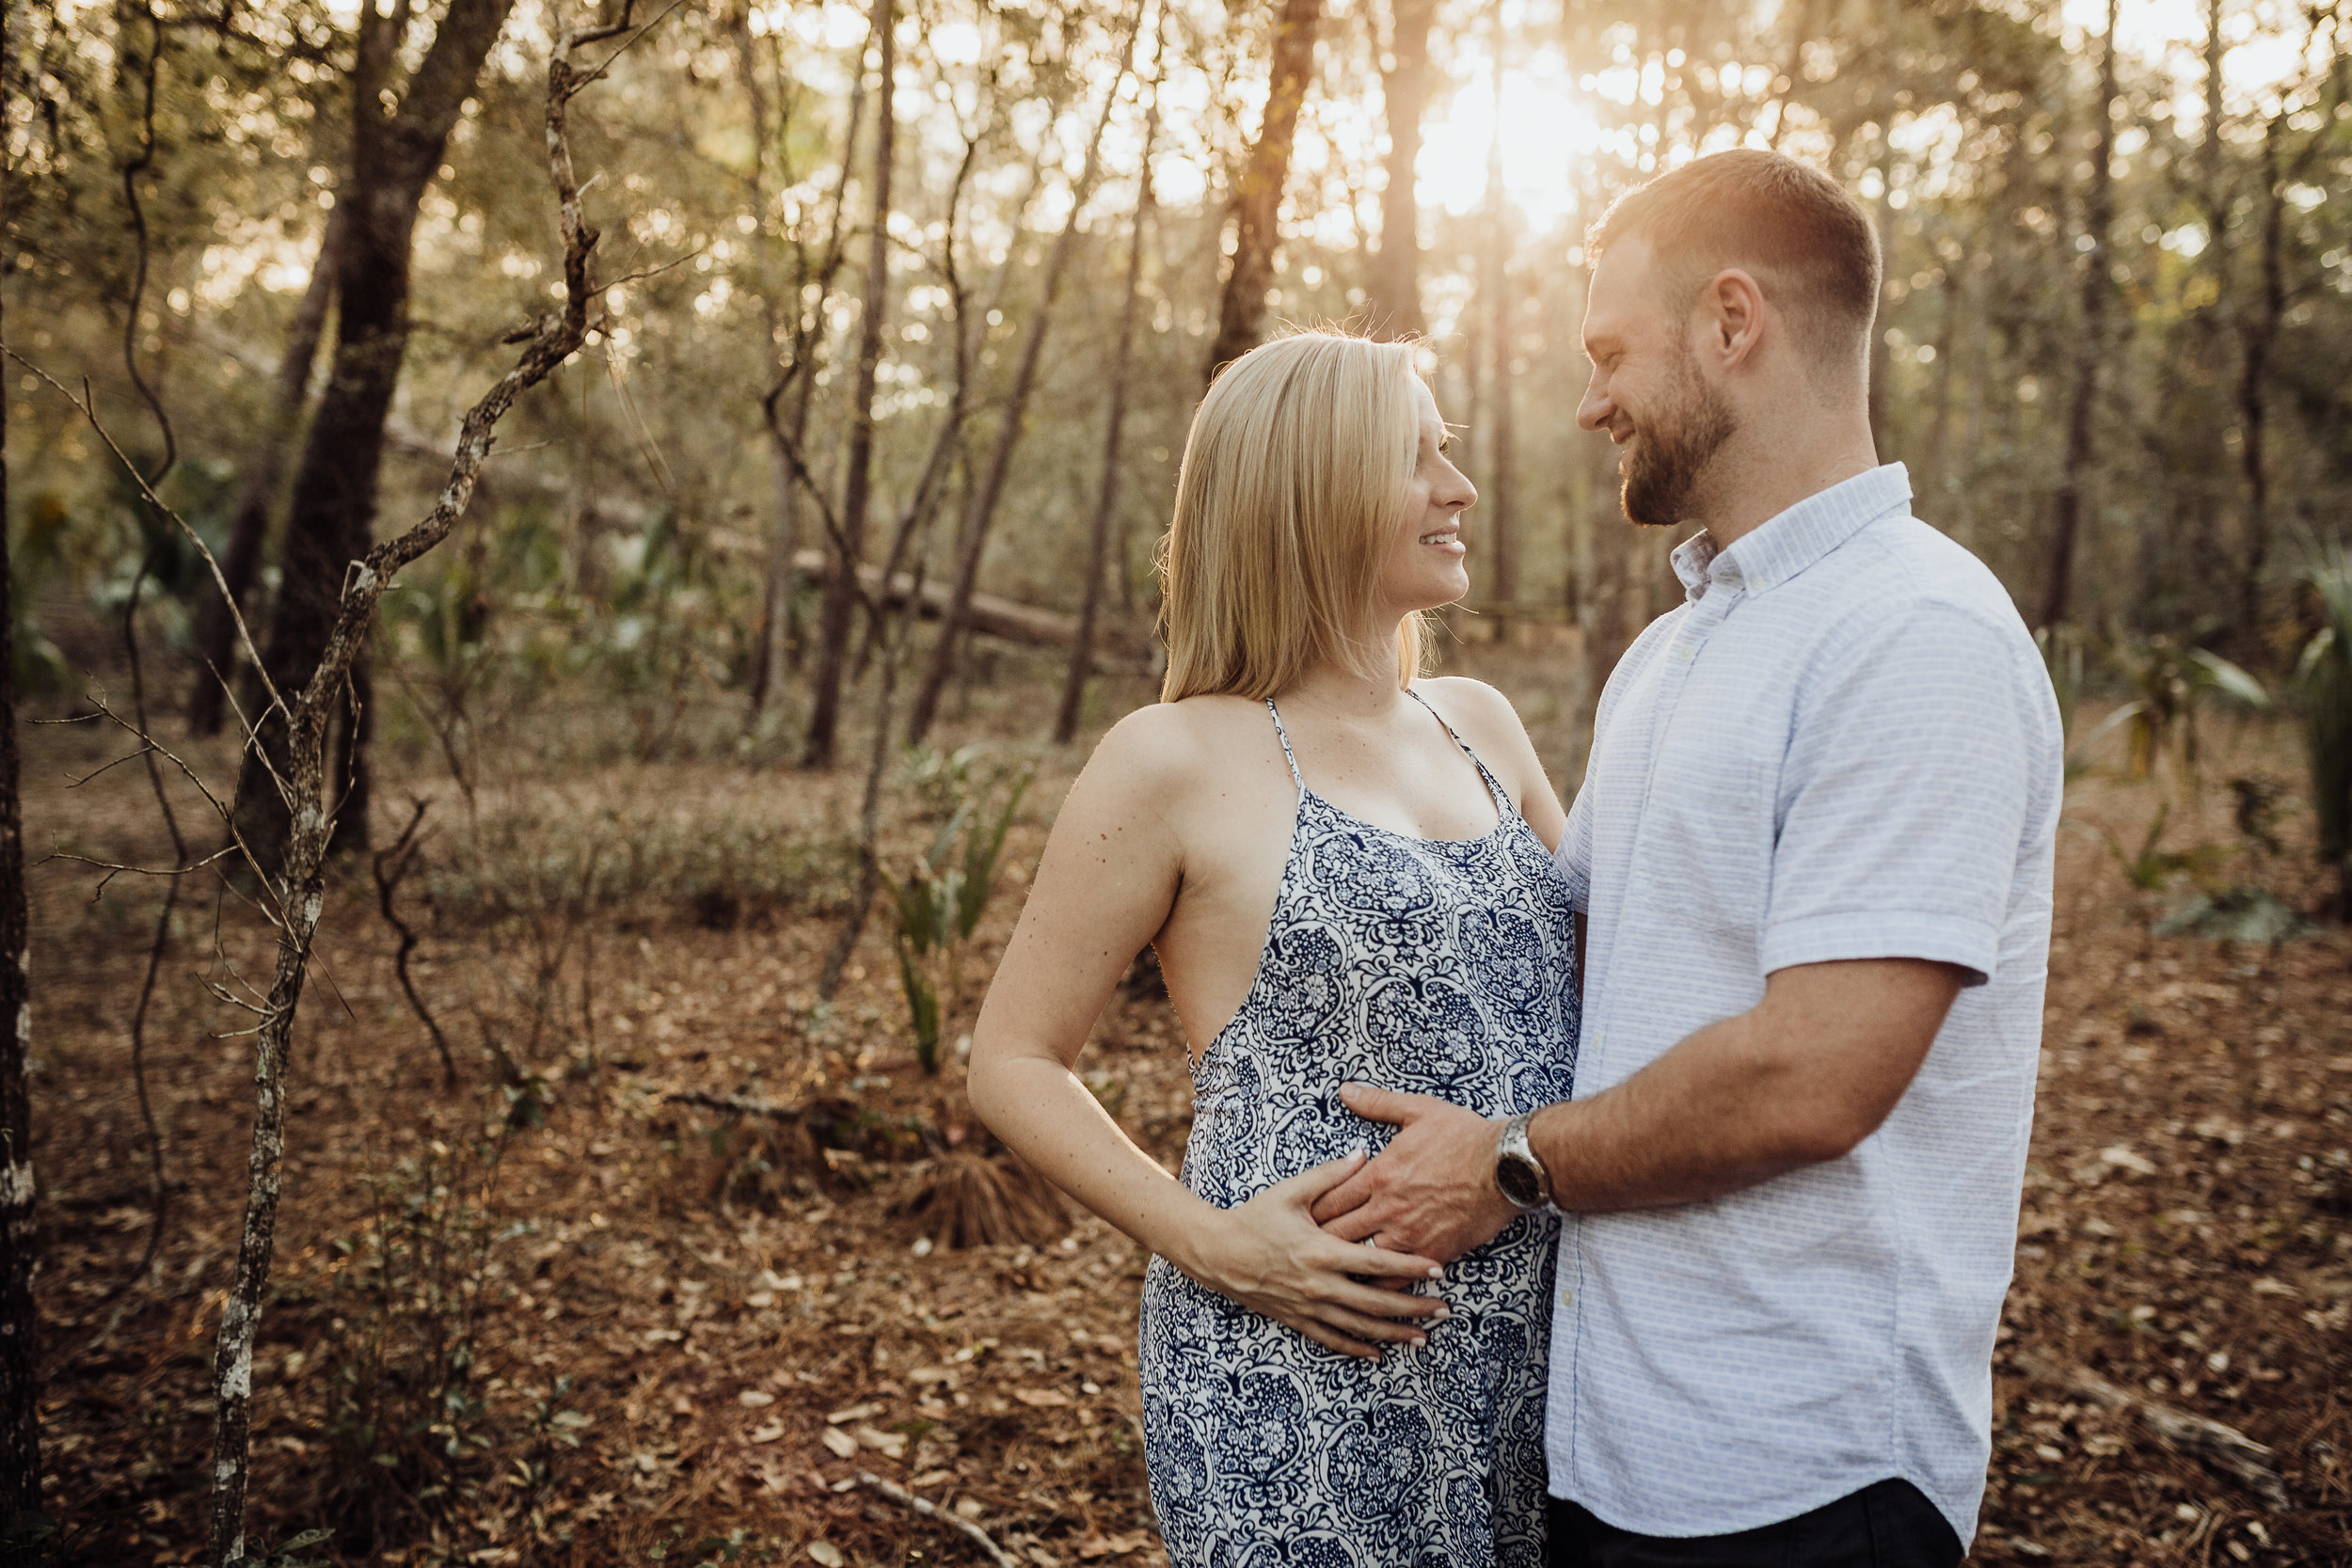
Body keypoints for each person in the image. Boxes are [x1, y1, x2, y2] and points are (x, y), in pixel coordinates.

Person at [1311, 150, 2065, 1567]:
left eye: (1609, 353)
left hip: (1807, 1474)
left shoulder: (1918, 635)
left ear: (1734, 323)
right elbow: (1571, 953)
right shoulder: (1676, 651)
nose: (1589, 400)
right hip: (1603, 1447)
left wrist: (1510, 1164)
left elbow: (1818, 1069)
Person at [967, 330, 1580, 1564]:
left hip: (1544, 1354)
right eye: (1419, 460)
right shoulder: (1174, 756)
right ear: (1316, 489)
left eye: (1449, 456)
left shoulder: (1481, 725)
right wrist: (1219, 1245)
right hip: (1300, 1375)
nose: (1460, 491)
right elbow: (1011, 1059)